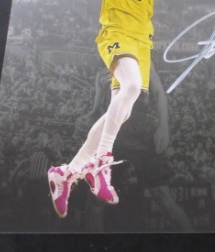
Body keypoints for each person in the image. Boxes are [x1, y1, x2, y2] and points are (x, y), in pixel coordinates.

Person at [47, 0, 215, 219]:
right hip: (116, 37)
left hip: (141, 47)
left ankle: (67, 172)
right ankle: (101, 162)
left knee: (118, 110)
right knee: (132, 88)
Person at [77, 64, 194, 232]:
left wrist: (164, 126)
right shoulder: (104, 67)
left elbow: (159, 93)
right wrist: (88, 116)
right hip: (113, 135)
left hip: (140, 134)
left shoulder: (142, 60)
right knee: (95, 199)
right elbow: (97, 109)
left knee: (162, 197)